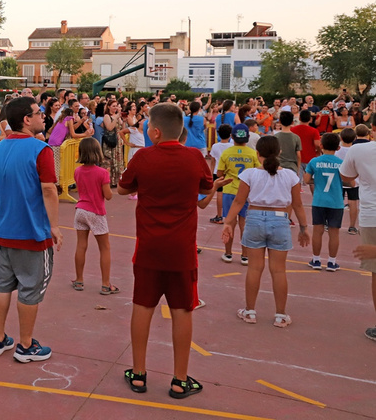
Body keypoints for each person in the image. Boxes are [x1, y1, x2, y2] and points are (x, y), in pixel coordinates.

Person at [117, 103, 213, 399]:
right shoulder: (195, 157)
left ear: (156, 132)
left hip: (148, 247)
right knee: (183, 309)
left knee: (142, 305)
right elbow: (206, 186)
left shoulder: (143, 157)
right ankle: (179, 379)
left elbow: (123, 188)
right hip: (182, 249)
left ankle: (138, 373)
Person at [0, 97, 62, 363]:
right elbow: (49, 189)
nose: (43, 117)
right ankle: (26, 345)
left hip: (4, 231)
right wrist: (54, 226)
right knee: (30, 289)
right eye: (39, 113)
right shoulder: (41, 150)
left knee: (1, 285)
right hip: (32, 232)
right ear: (26, 119)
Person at [222, 135, 310, 328]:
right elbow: (297, 204)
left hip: (254, 218)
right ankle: (280, 315)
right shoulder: (289, 175)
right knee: (278, 270)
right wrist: (303, 228)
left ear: (257, 153)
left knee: (254, 268)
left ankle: (250, 311)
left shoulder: (250, 174)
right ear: (279, 152)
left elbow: (239, 202)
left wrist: (228, 222)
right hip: (280, 220)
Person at [339, 131, 376, 341]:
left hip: (372, 214)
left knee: (375, 271)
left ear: (373, 130)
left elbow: (347, 175)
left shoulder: (358, 149)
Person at [71, 138, 116, 294]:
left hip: (80, 210)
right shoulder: (102, 173)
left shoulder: (77, 171)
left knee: (81, 245)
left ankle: (79, 280)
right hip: (95, 211)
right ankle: (105, 283)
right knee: (104, 247)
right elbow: (108, 195)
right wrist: (108, 181)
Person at [217, 124, 259, 266]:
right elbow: (258, 171)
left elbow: (220, 173)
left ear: (232, 137)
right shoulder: (252, 153)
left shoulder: (227, 152)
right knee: (244, 225)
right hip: (246, 192)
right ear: (247, 138)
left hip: (229, 191)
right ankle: (245, 255)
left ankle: (228, 253)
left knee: (229, 223)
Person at [305, 132, 345, 271]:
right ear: (338, 148)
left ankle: (316, 260)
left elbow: (306, 180)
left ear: (321, 145)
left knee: (317, 230)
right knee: (334, 232)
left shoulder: (314, 161)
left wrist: (317, 180)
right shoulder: (341, 163)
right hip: (336, 201)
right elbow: (350, 181)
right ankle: (332, 262)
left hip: (319, 200)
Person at [101, 100, 124, 188]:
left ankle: (116, 180)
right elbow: (110, 127)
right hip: (111, 140)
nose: (115, 108)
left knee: (118, 160)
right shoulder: (107, 116)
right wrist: (116, 118)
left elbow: (122, 128)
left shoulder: (118, 116)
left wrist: (123, 120)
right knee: (109, 160)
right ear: (109, 107)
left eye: (116, 106)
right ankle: (108, 180)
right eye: (113, 106)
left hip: (118, 140)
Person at [291, 110, 322, 174]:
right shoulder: (314, 131)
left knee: (297, 181)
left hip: (296, 158)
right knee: (310, 181)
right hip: (310, 158)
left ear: (299, 118)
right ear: (310, 119)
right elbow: (317, 144)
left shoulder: (292, 130)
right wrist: (318, 152)